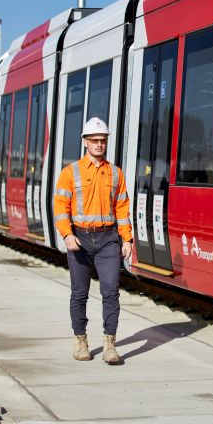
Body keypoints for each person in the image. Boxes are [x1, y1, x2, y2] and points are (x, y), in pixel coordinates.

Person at [53, 117, 133, 364]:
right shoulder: (70, 172)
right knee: (79, 294)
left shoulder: (115, 173)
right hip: (80, 239)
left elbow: (122, 208)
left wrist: (127, 239)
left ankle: (110, 344)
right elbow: (60, 207)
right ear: (85, 142)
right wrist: (67, 234)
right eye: (95, 140)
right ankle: (81, 341)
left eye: (103, 140)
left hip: (108, 239)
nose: (99, 144)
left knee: (111, 292)